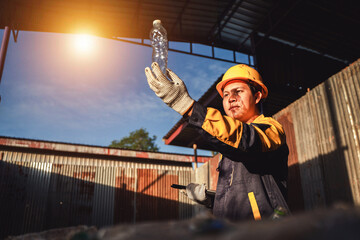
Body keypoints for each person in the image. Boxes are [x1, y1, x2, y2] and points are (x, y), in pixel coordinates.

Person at [145, 62, 289, 221]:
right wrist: (211, 200)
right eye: (226, 94)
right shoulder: (228, 143)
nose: (231, 98)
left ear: (257, 96)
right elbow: (241, 197)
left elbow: (246, 140)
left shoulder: (271, 129)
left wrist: (187, 105)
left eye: (238, 91)